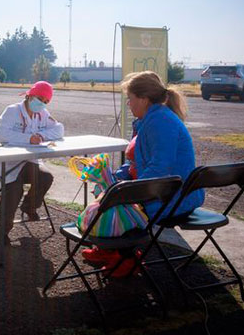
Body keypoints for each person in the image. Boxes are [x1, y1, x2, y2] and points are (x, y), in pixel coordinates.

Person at [83, 70, 205, 275]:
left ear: (144, 99)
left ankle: (124, 258)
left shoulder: (160, 122)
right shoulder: (152, 119)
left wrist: (127, 192)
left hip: (173, 199)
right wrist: (112, 178)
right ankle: (109, 249)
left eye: (130, 99)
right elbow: (136, 163)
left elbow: (160, 167)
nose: (128, 104)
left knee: (114, 203)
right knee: (106, 191)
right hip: (165, 193)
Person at [0, 81, 64, 245]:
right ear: (30, 95)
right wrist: (28, 138)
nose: (42, 104)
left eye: (46, 101)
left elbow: (59, 129)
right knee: (14, 189)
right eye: (40, 99)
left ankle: (29, 206)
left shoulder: (42, 113)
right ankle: (0, 232)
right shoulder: (12, 111)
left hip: (29, 162)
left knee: (46, 177)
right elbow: (0, 133)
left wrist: (41, 135)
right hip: (9, 163)